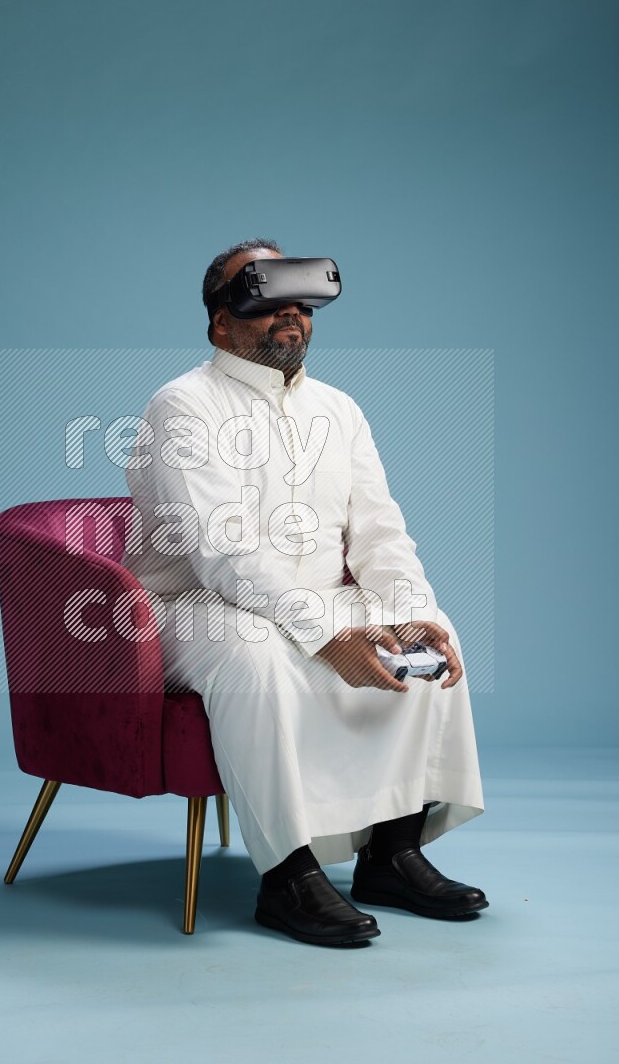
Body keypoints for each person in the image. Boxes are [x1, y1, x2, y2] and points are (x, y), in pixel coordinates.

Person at [122, 239, 487, 946]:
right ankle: (288, 876)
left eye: (300, 302)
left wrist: (408, 612)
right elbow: (223, 553)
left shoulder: (340, 410)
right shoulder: (182, 407)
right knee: (257, 652)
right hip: (193, 609)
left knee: (431, 626)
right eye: (263, 300)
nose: (289, 316)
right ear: (221, 323)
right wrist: (323, 633)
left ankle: (394, 851)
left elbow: (380, 533)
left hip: (316, 591)